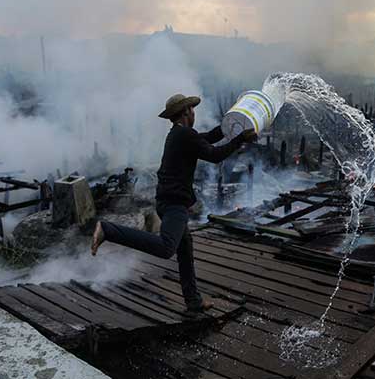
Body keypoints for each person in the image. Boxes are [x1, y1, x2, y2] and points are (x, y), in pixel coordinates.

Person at [91, 93, 256, 314]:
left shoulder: (179, 134)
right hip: (173, 203)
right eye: (192, 109)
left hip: (168, 200)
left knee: (185, 250)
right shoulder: (184, 135)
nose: (194, 112)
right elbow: (215, 155)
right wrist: (240, 139)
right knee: (166, 247)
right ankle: (108, 230)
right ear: (187, 111)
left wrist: (230, 126)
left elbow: (207, 138)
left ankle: (193, 302)